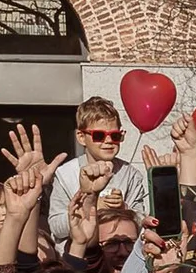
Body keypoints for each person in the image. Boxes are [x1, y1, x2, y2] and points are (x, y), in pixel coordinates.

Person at [47, 97, 147, 242]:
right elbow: (56, 227)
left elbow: (142, 222)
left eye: (115, 135)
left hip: (119, 254)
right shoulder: (65, 174)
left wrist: (123, 209)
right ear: (81, 137)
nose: (108, 141)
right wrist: (89, 208)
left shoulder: (130, 174)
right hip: (79, 257)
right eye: (99, 136)